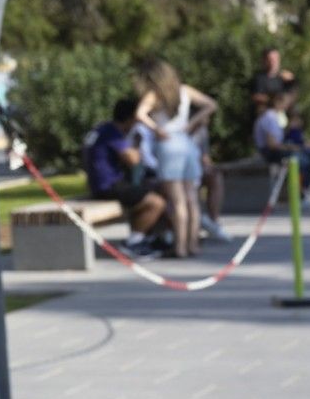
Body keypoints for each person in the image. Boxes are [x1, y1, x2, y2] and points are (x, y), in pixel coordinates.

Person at [136, 59, 217, 258]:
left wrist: (156, 129)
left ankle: (180, 246)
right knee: (192, 198)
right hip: (186, 143)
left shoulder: (155, 95)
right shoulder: (185, 91)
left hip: (168, 143)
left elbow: (139, 114)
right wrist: (192, 124)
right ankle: (193, 244)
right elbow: (210, 105)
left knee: (177, 200)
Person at [83, 98, 167, 257]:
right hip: (108, 185)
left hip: (102, 182)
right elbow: (133, 160)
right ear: (131, 118)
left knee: (149, 192)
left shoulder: (103, 128)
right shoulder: (113, 133)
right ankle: (133, 243)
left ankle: (146, 238)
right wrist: (136, 145)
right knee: (156, 203)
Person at [254, 91, 310, 193]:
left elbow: (282, 139)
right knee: (307, 161)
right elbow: (272, 145)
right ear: (277, 102)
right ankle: (304, 192)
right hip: (271, 152)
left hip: (279, 149)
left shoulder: (277, 116)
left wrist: (300, 144)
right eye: (286, 103)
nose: (287, 106)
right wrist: (293, 147)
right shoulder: (270, 118)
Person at [249, 46, 296, 115]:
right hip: (267, 113)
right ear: (265, 61)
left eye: (276, 59)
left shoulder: (284, 77)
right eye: (270, 59)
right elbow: (255, 96)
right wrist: (273, 101)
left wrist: (293, 81)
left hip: (284, 113)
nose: (273, 62)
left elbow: (293, 94)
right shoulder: (260, 78)